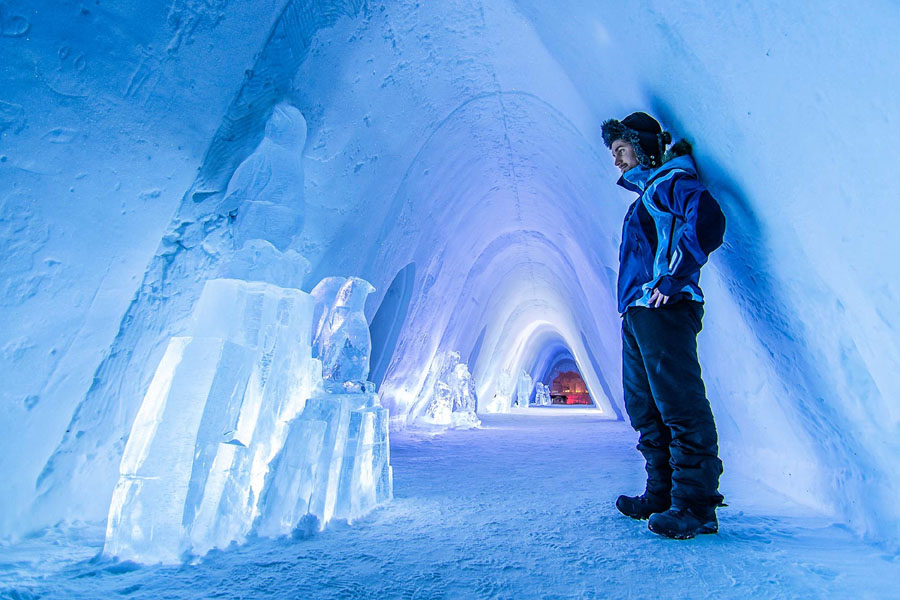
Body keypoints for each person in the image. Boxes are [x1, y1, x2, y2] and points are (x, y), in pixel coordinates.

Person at [601, 112, 726, 539]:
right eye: (614, 153)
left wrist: (674, 278)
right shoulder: (645, 198)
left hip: (664, 310)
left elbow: (707, 219)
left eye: (621, 150)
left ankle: (695, 506)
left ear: (644, 146)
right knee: (645, 408)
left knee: (679, 404)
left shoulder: (668, 184)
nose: (617, 160)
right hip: (638, 313)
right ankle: (662, 493)